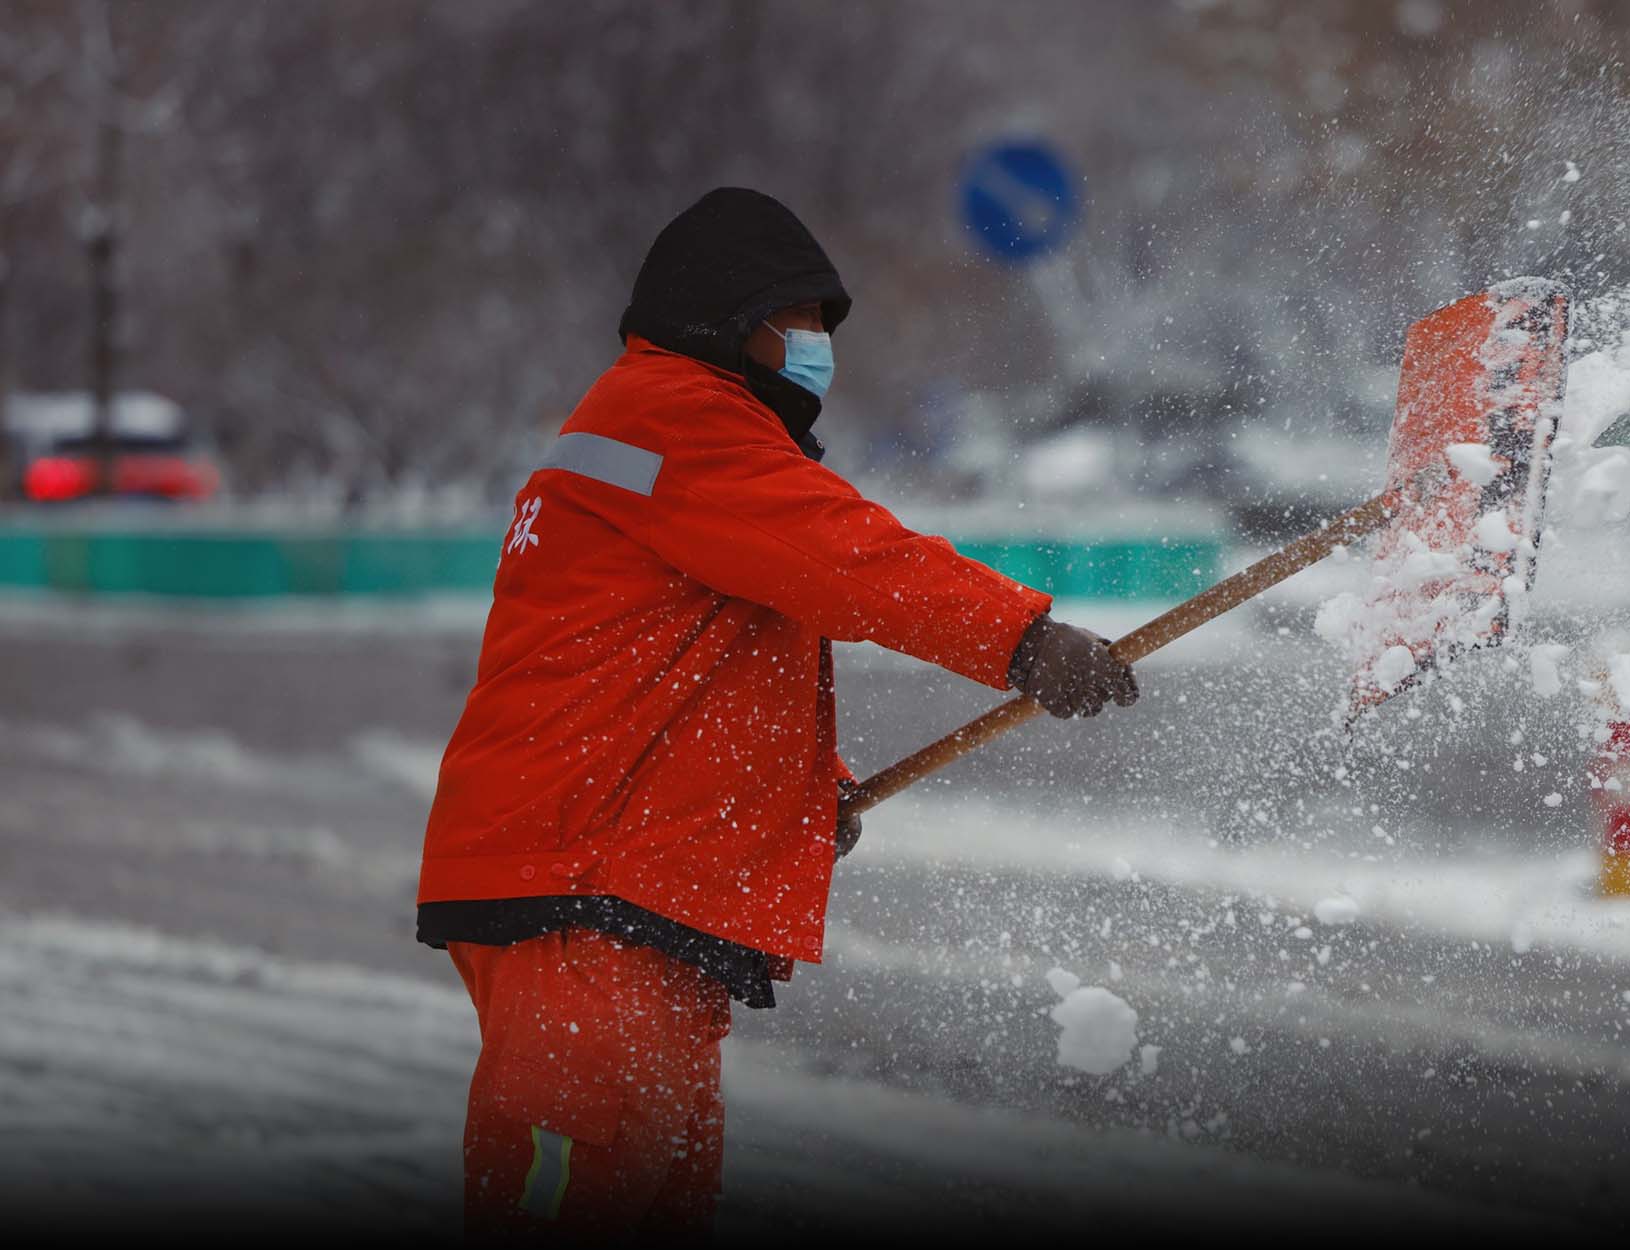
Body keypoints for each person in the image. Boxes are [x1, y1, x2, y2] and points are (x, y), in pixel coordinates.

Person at [414, 187, 1138, 1237]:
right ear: (726, 317)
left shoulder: (670, 431)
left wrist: (803, 794)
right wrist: (1019, 639)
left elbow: (671, 673)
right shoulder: (675, 418)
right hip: (588, 893)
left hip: (620, 890)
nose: (812, 348)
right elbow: (844, 557)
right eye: (796, 322)